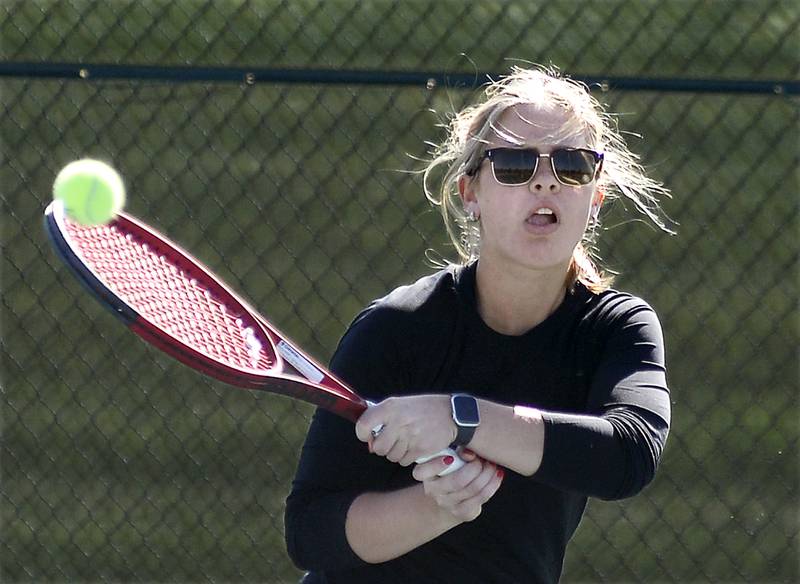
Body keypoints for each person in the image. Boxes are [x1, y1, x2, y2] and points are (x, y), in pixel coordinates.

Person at [284, 66, 673, 583]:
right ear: (471, 193)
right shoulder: (396, 327)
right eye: (513, 162)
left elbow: (628, 453)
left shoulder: (616, 326)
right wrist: (436, 509)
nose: (544, 179)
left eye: (572, 165)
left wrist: (459, 417)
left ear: (595, 198)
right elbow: (311, 533)